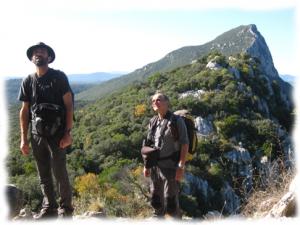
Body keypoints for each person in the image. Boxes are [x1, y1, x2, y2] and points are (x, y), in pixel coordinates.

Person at [18, 42, 74, 219]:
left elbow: (69, 105)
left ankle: (66, 209)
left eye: (42, 52)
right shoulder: (28, 80)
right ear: (32, 58)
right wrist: (23, 139)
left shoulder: (58, 77)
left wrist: (68, 133)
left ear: (49, 57)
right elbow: (24, 110)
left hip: (58, 134)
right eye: (36, 52)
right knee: (43, 172)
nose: (38, 54)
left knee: (59, 172)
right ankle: (49, 207)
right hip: (36, 134)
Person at [142, 92, 189, 218]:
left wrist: (181, 166)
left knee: (171, 202)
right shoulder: (153, 122)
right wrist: (146, 166)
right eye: (153, 101)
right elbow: (148, 145)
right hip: (155, 167)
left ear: (167, 103)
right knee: (156, 200)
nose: (155, 102)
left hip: (170, 168)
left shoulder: (176, 121)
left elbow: (185, 144)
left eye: (158, 100)